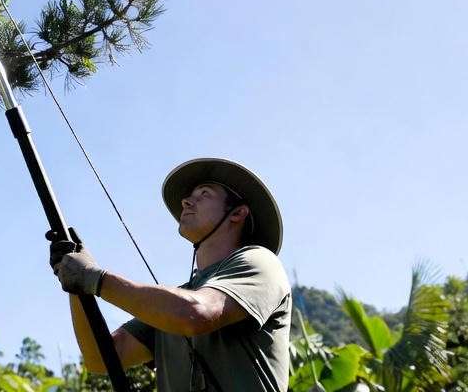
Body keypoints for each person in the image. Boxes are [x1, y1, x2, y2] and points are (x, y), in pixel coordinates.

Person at [50, 157, 291, 392]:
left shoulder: (261, 262)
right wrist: (76, 284)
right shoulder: (172, 304)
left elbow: (196, 313)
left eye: (204, 194)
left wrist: (95, 277)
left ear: (237, 213)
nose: (186, 201)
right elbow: (101, 358)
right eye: (190, 195)